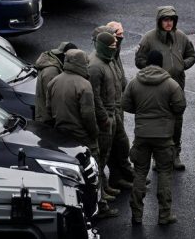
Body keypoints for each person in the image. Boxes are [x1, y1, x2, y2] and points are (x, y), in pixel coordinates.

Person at [46, 49, 117, 218]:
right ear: (80, 63)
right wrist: (94, 134)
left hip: (61, 134)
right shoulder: (84, 85)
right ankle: (100, 206)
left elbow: (49, 109)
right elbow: (88, 115)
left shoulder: (54, 82)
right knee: (93, 171)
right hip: (82, 135)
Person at [122, 50, 186, 225]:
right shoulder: (171, 84)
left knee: (140, 173)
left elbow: (125, 104)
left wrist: (142, 113)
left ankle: (136, 214)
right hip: (164, 136)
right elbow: (180, 107)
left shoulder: (135, 82)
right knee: (165, 173)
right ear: (161, 63)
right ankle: (164, 215)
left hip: (142, 135)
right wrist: (167, 115)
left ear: (147, 63)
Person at [135, 6, 195, 171]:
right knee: (159, 122)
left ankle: (175, 154)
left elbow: (191, 55)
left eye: (171, 20)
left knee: (177, 122)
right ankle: (158, 157)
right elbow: (139, 60)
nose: (168, 23)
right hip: (156, 88)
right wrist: (152, 69)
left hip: (177, 87)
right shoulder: (148, 38)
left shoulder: (181, 37)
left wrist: (183, 65)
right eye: (165, 20)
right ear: (159, 21)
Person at [88, 32, 121, 217]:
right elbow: (95, 97)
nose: (115, 48)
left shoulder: (107, 61)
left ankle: (105, 188)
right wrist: (104, 118)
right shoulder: (95, 66)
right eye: (112, 46)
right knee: (100, 160)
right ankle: (100, 200)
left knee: (106, 155)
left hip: (111, 113)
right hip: (105, 118)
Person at [106, 21, 135, 190]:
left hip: (118, 106)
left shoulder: (115, 55)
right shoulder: (106, 58)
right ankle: (119, 176)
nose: (120, 38)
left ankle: (122, 175)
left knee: (121, 143)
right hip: (111, 108)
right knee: (115, 144)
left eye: (122, 34)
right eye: (118, 34)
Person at [34, 41, 77, 123]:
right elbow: (52, 100)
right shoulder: (51, 72)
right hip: (48, 119)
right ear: (65, 55)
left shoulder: (56, 64)